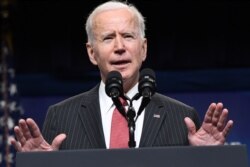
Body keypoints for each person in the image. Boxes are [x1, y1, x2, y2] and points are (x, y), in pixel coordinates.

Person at [11, 0, 233, 152]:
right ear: (91, 53)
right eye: (108, 38)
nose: (119, 47)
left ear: (143, 49)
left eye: (128, 36)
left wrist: (206, 160)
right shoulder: (61, 116)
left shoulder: (181, 117)